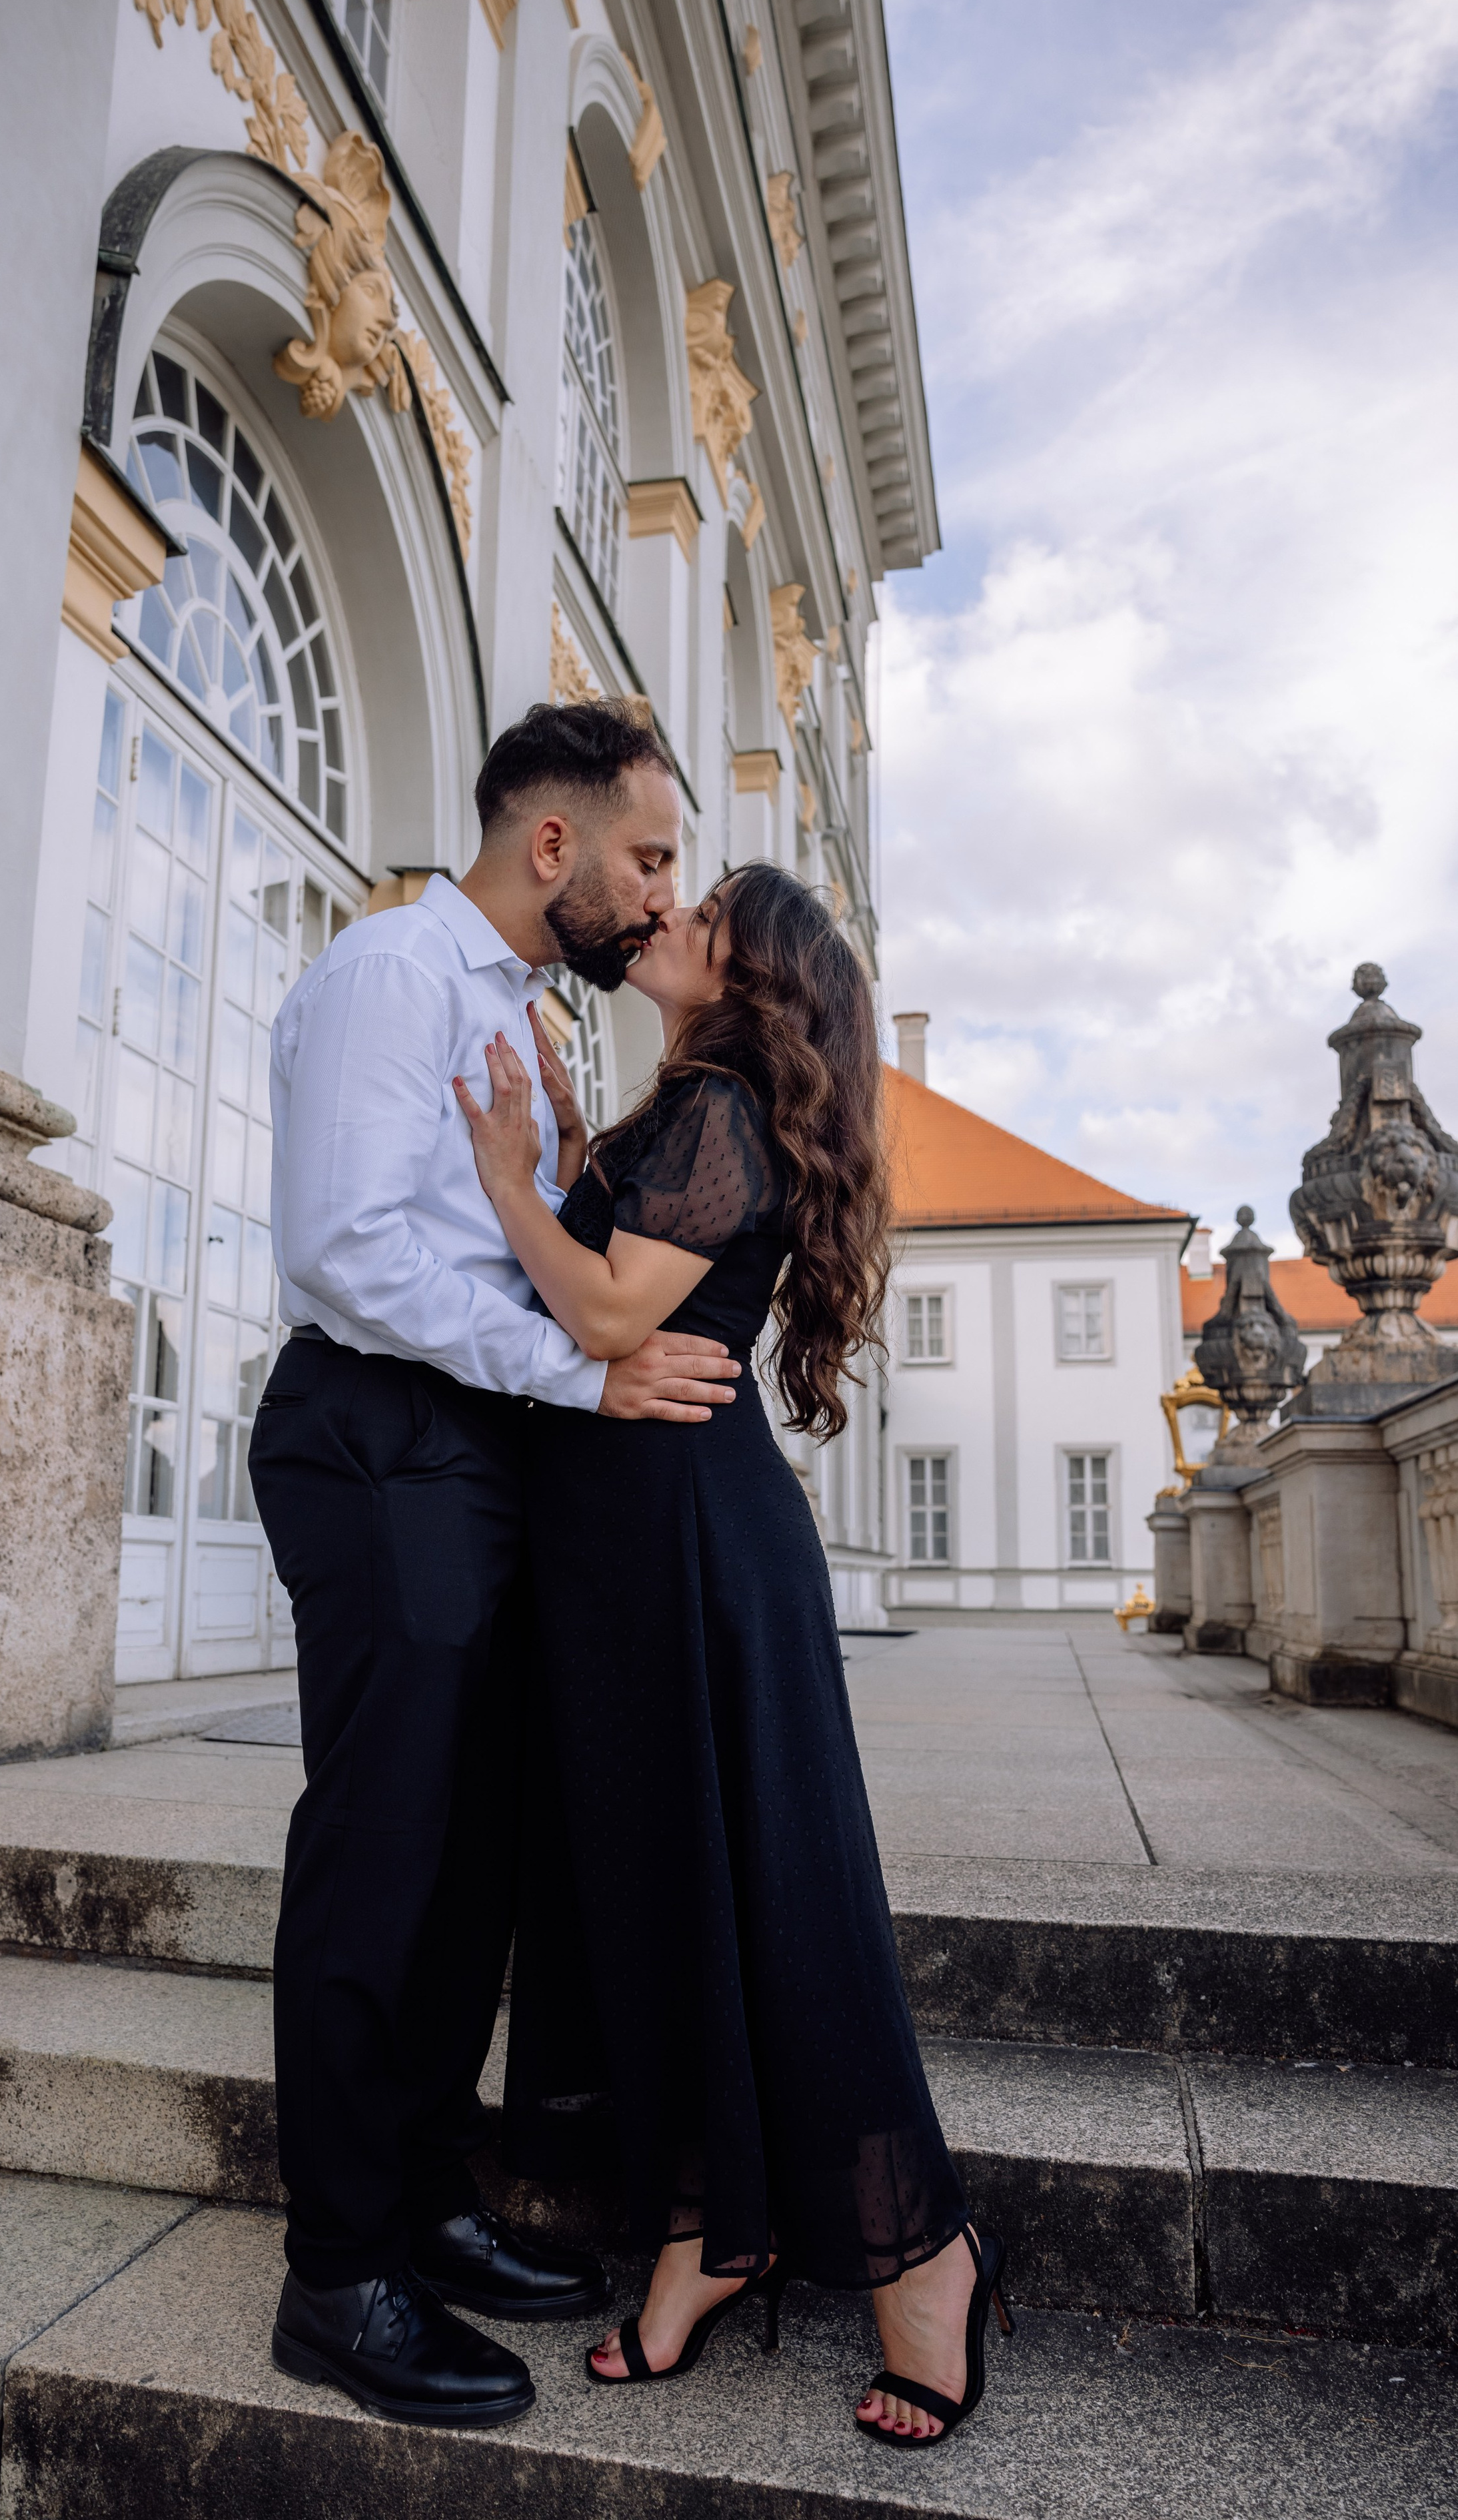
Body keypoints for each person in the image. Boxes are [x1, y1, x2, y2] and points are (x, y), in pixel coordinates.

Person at [453, 861, 1014, 2448]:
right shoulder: (688, 1108)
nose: (667, 919)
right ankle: (705, 2230)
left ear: (744, 973)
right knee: (660, 1888)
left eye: (699, 913)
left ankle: (924, 2259)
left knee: (772, 1893)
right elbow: (627, 1277)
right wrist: (566, 1148)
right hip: (636, 1550)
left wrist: (513, 1181)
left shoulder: (718, 1107)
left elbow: (615, 1313)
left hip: (689, 1551)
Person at [249, 701, 742, 2428]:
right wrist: (583, 1367)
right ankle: (339, 2267)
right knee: (385, 1845)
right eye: (649, 858)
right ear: (557, 847)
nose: (659, 893)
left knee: (471, 1856)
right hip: (379, 1435)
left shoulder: (522, 1013)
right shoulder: (397, 973)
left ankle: (427, 2195)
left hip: (474, 1451)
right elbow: (351, 1249)